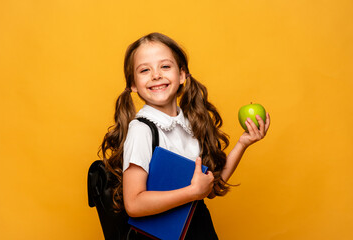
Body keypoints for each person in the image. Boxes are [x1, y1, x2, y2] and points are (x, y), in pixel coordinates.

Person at [100, 32, 270, 239]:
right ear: (133, 85)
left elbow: (210, 186)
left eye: (165, 66)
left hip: (198, 228)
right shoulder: (142, 129)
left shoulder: (191, 123)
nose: (156, 75)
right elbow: (134, 204)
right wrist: (192, 192)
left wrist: (243, 143)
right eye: (145, 70)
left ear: (182, 75)